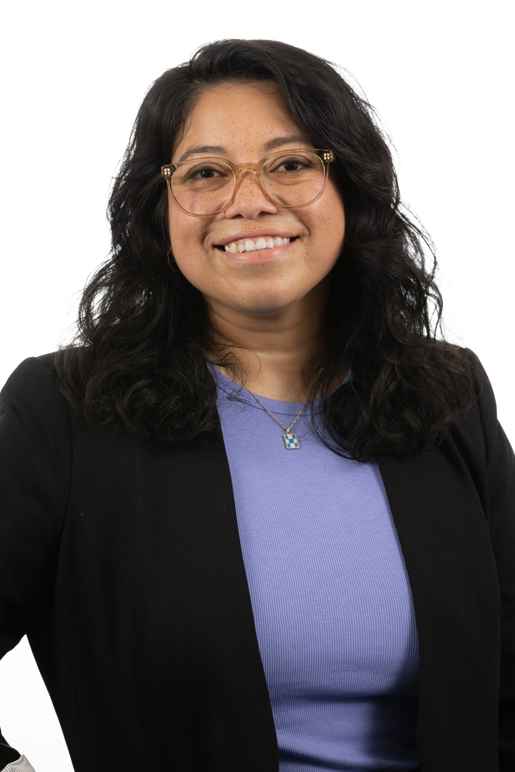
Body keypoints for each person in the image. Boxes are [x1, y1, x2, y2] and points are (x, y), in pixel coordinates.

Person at [0, 38, 513, 772]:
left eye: (291, 163)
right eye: (206, 172)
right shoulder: (64, 412)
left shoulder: (447, 397)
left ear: (352, 189)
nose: (248, 200)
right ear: (157, 207)